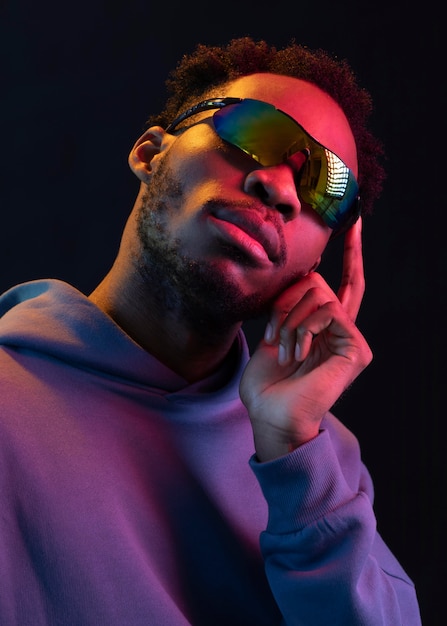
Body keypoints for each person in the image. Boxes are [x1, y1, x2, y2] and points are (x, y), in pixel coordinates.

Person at [0, 36, 421, 625]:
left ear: (319, 261)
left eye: (326, 189)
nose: (277, 189)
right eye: (254, 134)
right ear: (150, 153)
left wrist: (294, 448)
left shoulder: (322, 462)